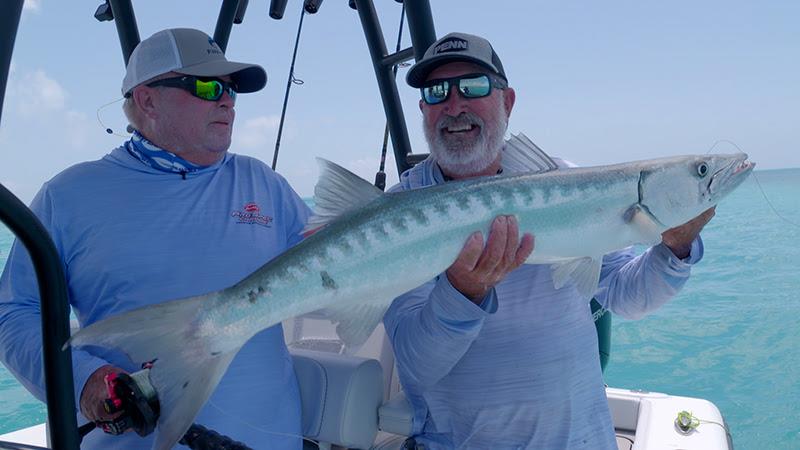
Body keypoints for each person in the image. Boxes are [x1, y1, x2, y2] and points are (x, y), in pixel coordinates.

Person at [383, 32, 715, 449]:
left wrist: (675, 249)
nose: (455, 104)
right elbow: (416, 365)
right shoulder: (395, 217)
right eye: (437, 92)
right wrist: (462, 292)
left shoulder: (567, 180)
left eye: (474, 86)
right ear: (423, 110)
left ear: (507, 101)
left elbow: (628, 296)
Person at [0, 28, 310, 449]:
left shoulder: (265, 184)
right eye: (207, 86)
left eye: (231, 90)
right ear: (147, 100)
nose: (226, 102)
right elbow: (14, 313)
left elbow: (339, 262)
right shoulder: (69, 196)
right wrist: (84, 379)